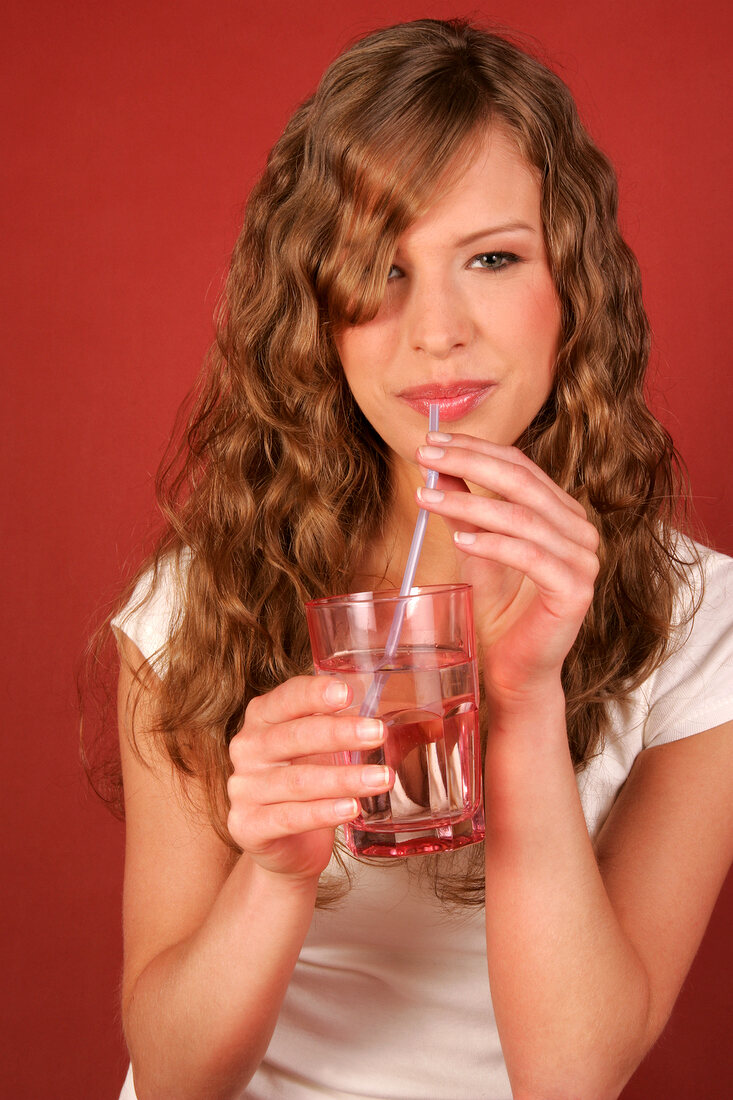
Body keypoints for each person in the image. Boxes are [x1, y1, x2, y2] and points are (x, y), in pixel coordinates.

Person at [103, 17, 733, 1100]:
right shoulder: (200, 597)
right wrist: (275, 871)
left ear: (570, 286)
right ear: (320, 315)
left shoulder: (701, 619)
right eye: (376, 269)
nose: (434, 329)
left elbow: (573, 1073)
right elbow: (170, 1072)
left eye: (490, 258)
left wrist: (525, 696)